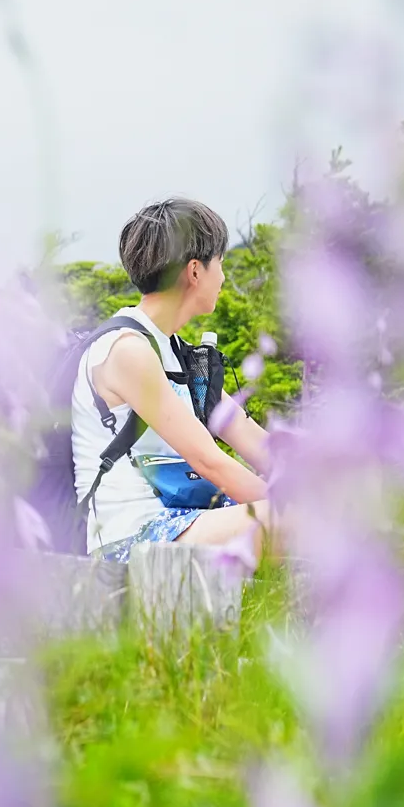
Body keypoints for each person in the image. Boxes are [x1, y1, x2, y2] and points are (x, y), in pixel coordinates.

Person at [73, 198, 273, 562]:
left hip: (186, 521)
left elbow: (260, 445)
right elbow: (210, 462)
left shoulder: (178, 354)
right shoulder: (126, 350)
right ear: (195, 271)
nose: (224, 277)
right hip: (132, 538)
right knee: (294, 523)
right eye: (221, 263)